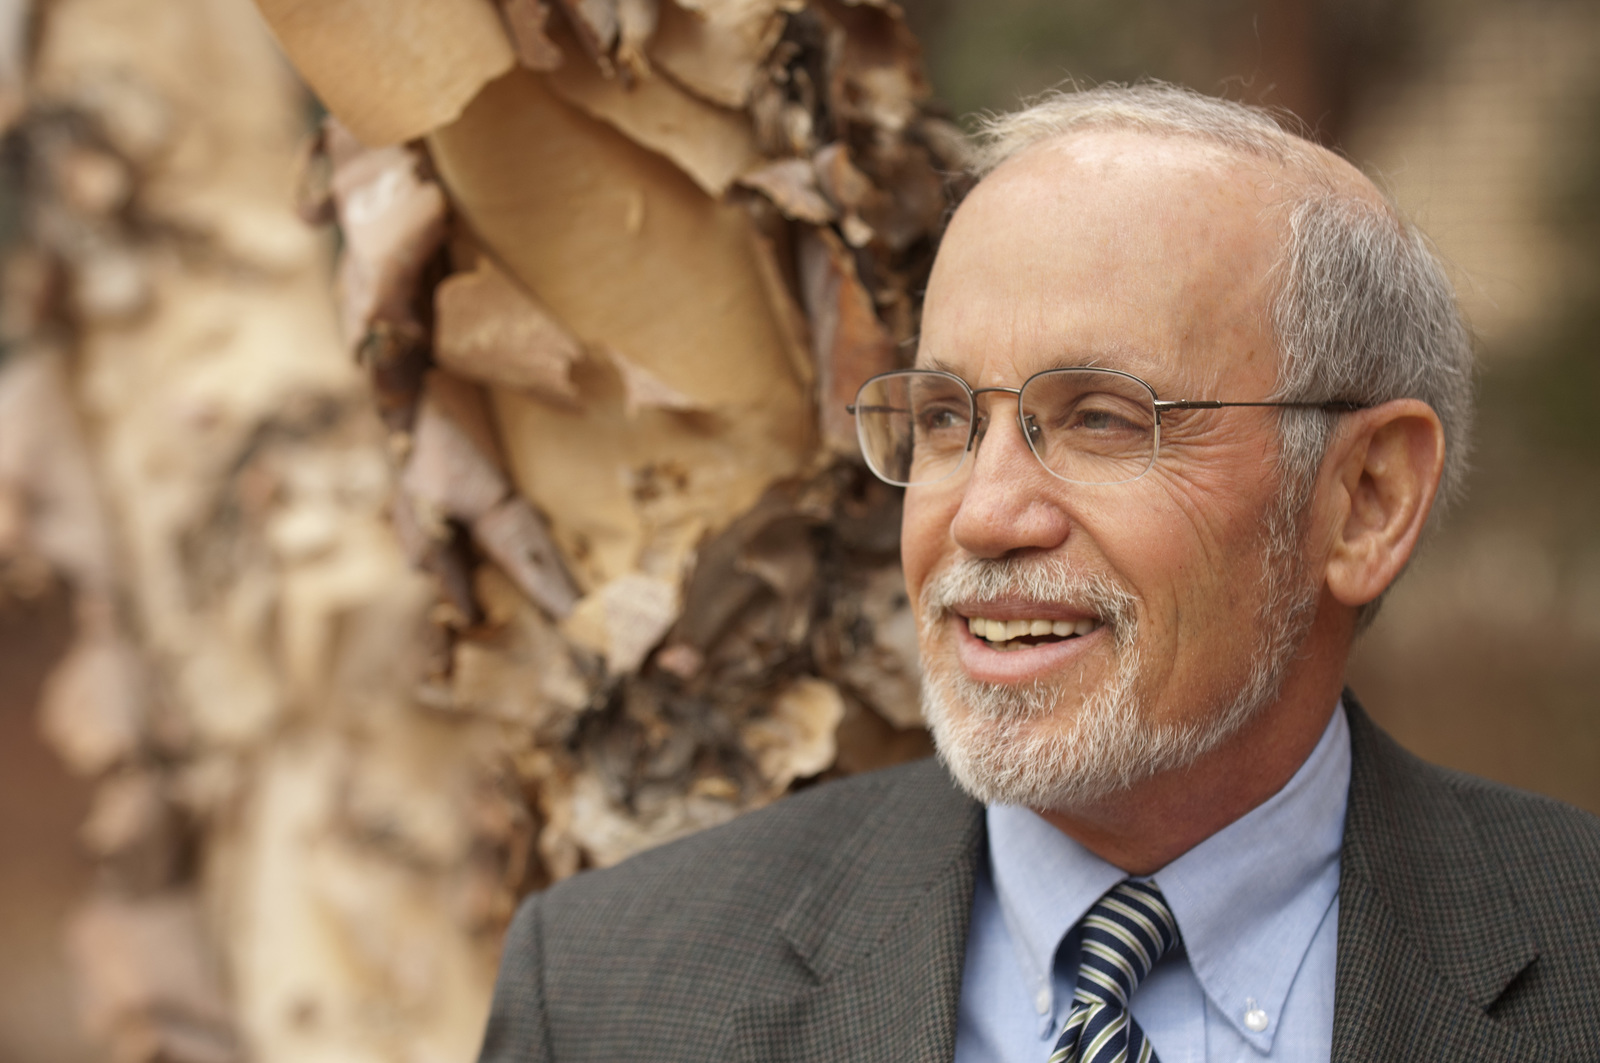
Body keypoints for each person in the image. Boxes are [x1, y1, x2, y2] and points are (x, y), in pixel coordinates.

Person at [476, 83, 1600, 1062]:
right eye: (945, 418)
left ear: (1364, 499)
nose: (983, 516)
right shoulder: (609, 992)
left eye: (1102, 418)